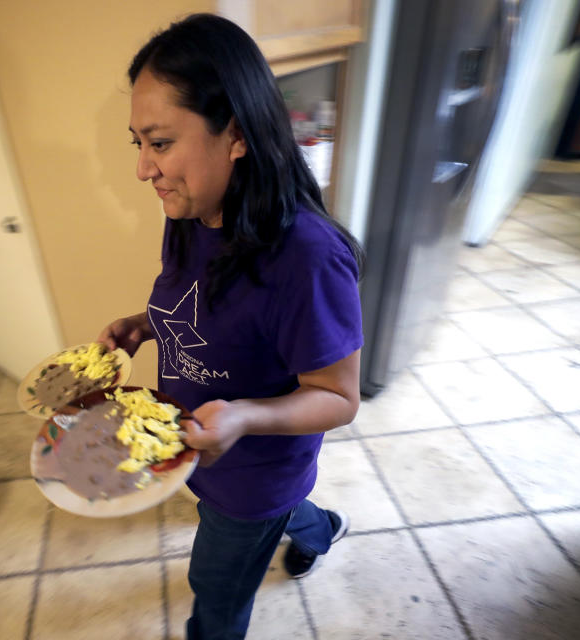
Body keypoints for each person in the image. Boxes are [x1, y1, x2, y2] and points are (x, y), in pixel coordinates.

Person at [97, 13, 364, 640]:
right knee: (284, 513)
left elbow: (338, 396)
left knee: (215, 593)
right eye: (138, 142)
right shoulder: (190, 210)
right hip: (203, 449)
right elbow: (207, 307)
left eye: (160, 143)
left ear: (236, 135)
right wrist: (148, 325)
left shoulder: (307, 257)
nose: (143, 168)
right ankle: (320, 528)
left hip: (253, 472)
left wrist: (244, 418)